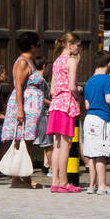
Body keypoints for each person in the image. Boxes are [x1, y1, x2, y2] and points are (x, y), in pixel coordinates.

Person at [0, 32, 42, 187]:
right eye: (38, 45)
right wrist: (20, 110)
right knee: (21, 141)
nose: (38, 48)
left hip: (30, 108)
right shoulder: (22, 62)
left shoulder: (29, 61)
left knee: (28, 141)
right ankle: (19, 178)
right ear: (31, 46)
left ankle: (23, 176)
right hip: (24, 106)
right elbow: (18, 86)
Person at [46, 32, 84, 192]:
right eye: (78, 45)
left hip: (55, 105)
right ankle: (64, 182)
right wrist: (79, 97)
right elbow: (72, 87)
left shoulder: (56, 62)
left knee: (57, 144)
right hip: (67, 104)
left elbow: (53, 89)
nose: (79, 48)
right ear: (70, 45)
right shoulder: (71, 61)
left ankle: (55, 181)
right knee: (66, 145)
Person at [82, 51, 110, 195]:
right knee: (101, 154)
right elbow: (109, 99)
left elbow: (86, 105)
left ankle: (92, 185)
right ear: (109, 64)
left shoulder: (90, 80)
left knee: (91, 154)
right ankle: (102, 185)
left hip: (89, 118)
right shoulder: (108, 79)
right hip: (102, 119)